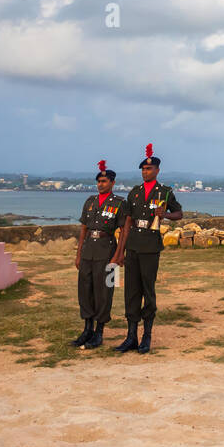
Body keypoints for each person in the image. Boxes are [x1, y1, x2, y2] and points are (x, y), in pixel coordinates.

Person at [116, 144, 182, 354]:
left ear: (157, 171)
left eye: (149, 169)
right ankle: (131, 337)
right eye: (143, 169)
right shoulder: (134, 193)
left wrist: (166, 215)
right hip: (133, 245)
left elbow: (179, 213)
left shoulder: (164, 192)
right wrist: (121, 250)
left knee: (148, 290)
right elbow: (127, 222)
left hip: (151, 246)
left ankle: (147, 336)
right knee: (131, 291)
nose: (146, 172)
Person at [72, 160, 127, 349]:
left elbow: (124, 230)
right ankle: (87, 329)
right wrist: (78, 254)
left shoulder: (120, 203)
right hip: (88, 251)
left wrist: (119, 256)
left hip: (108, 251)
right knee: (85, 290)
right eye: (98, 181)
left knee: (105, 291)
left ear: (112, 183)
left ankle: (99, 332)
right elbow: (84, 229)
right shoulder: (90, 201)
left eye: (104, 181)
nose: (100, 184)